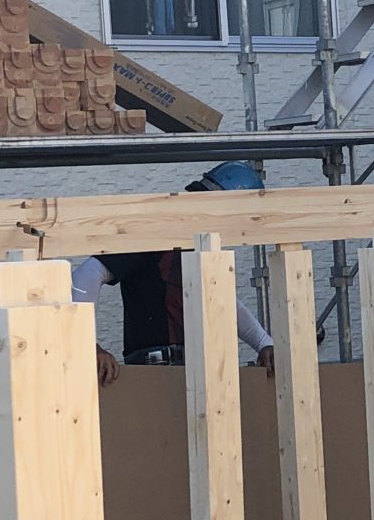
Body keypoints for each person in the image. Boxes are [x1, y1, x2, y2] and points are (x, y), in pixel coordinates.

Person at [72, 161, 276, 385]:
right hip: (157, 369)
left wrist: (264, 343)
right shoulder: (158, 230)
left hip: (194, 366)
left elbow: (221, 298)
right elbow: (87, 274)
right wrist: (87, 345)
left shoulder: (200, 243)